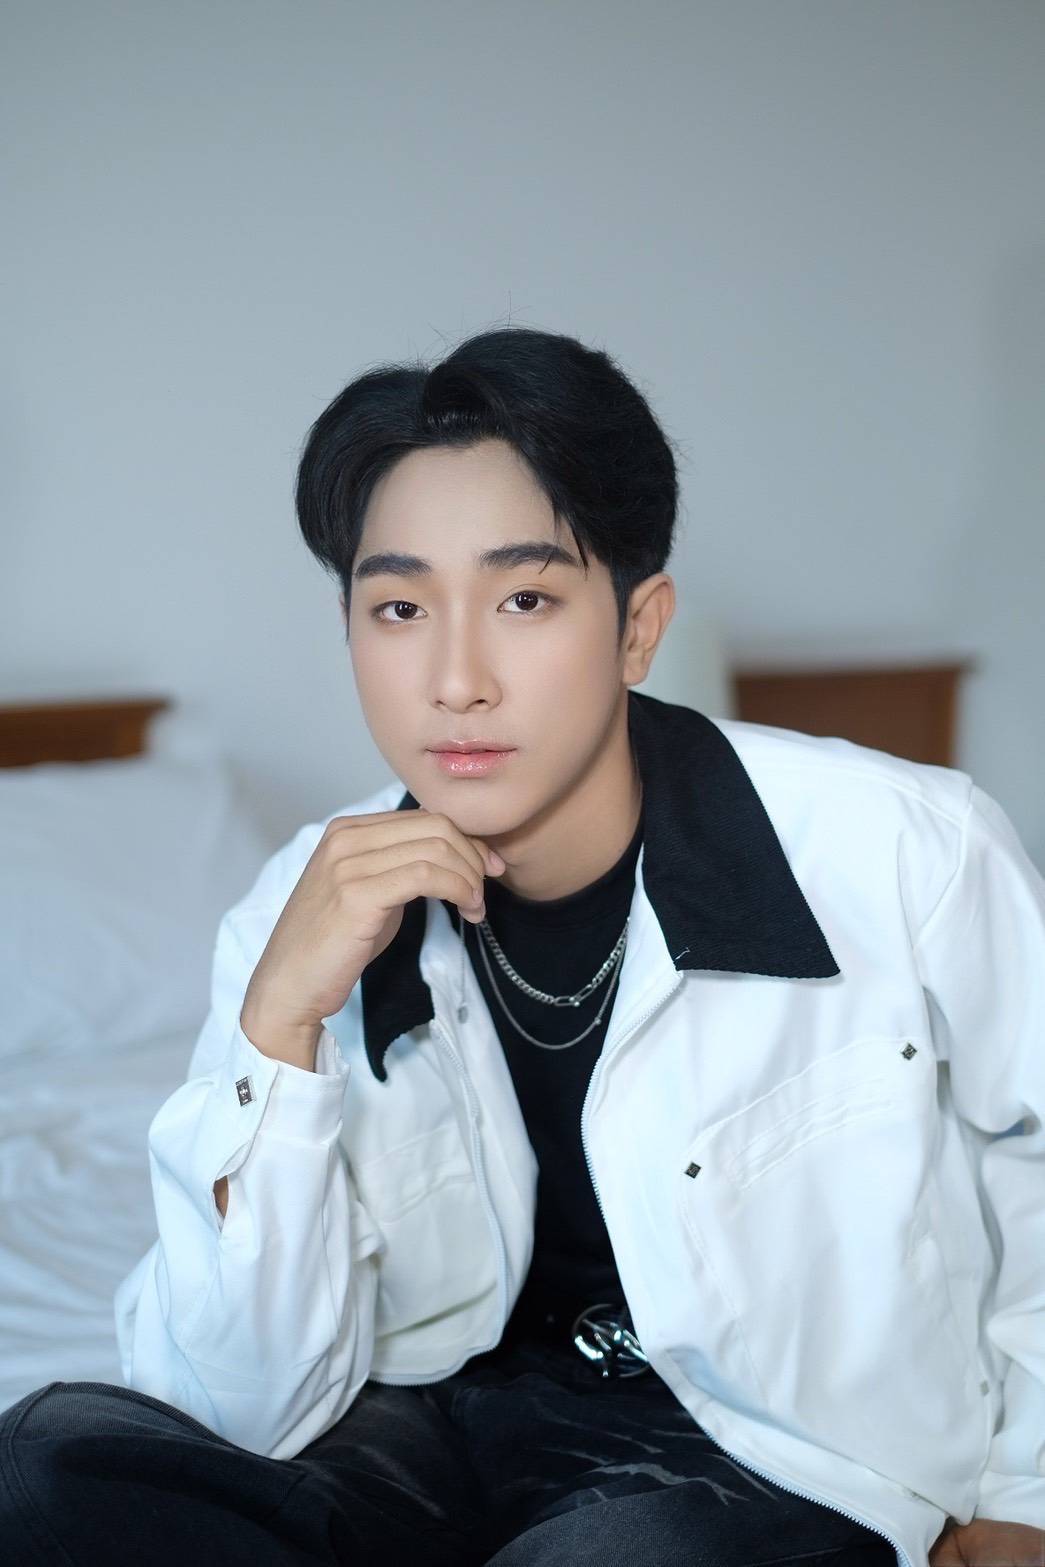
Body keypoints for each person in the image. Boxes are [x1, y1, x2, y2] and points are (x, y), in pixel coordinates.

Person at [2, 327, 1043, 1567]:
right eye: (399, 607)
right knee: (44, 1470)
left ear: (638, 627)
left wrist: (1026, 1491)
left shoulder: (903, 848)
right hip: (438, 1431)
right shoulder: (298, 906)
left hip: (762, 1452)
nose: (456, 679)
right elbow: (235, 1403)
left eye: (524, 600)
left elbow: (1032, 1161)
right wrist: (277, 1030)